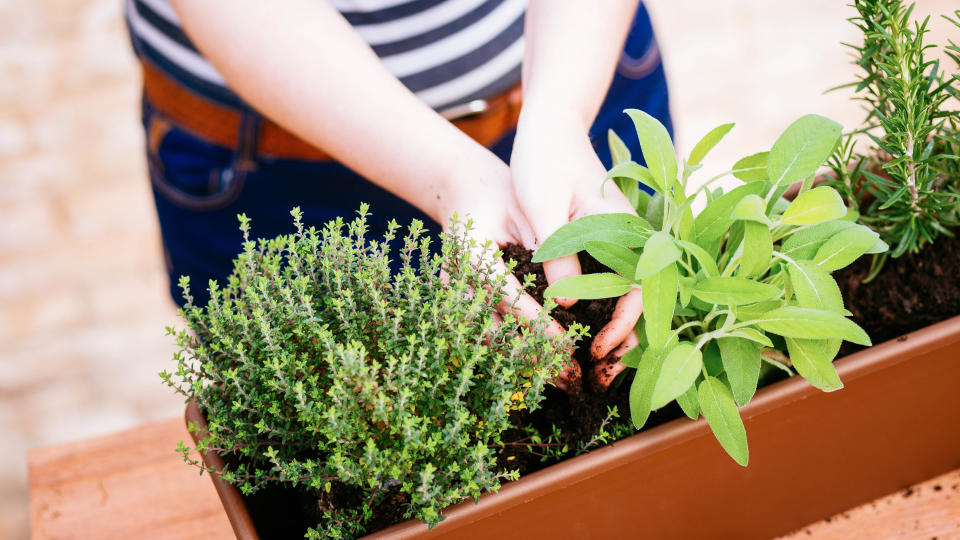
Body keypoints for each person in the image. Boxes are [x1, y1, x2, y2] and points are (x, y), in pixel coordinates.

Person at [124, 0, 673, 389]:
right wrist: (451, 172)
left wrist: (559, 114)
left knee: (639, 358)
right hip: (283, 162)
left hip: (578, 66)